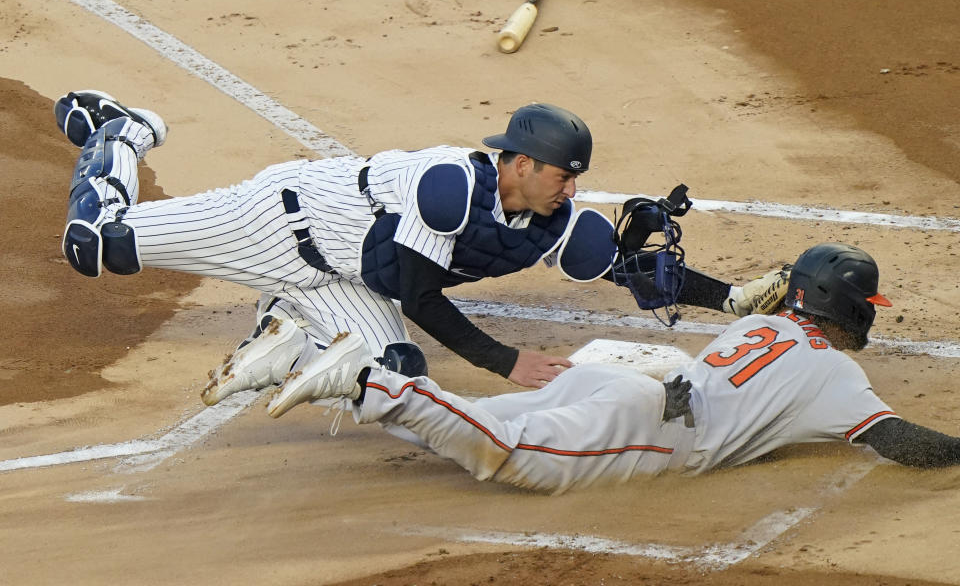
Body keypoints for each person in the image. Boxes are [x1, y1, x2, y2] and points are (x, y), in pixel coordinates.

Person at [54, 90, 779, 407]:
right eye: (564, 175)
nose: (572, 189)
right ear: (520, 164)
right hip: (273, 222)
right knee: (94, 247)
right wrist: (504, 361)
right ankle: (115, 132)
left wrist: (731, 298)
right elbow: (419, 295)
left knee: (395, 374)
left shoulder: (551, 217)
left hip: (343, 280)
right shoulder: (446, 186)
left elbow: (633, 270)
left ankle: (285, 326)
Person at [262, 242, 960, 495]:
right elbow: (897, 440)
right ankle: (364, 379)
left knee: (455, 426)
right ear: (852, 309)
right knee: (508, 456)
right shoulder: (837, 378)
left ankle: (304, 358)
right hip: (653, 423)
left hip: (624, 383)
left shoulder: (758, 322)